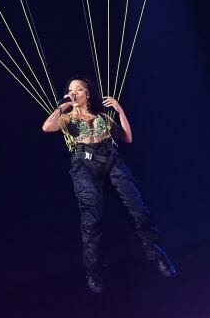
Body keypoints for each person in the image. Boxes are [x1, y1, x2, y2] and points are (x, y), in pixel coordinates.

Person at [42, 76, 176, 294]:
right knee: (92, 215)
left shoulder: (102, 117)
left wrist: (120, 110)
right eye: (70, 90)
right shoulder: (67, 118)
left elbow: (127, 138)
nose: (73, 93)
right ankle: (93, 270)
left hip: (111, 161)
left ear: (87, 93)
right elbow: (47, 127)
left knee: (138, 209)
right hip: (84, 165)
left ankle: (159, 256)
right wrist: (62, 106)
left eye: (78, 89)